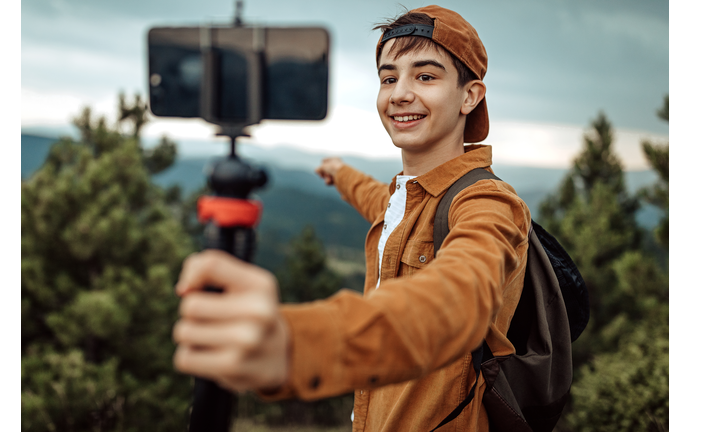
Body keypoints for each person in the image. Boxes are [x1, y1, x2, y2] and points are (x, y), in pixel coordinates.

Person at [172, 5, 530, 431]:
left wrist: (296, 345)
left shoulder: (488, 203)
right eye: (389, 77)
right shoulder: (406, 198)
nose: (400, 93)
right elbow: (378, 198)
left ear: (470, 96)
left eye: (426, 76)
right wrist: (340, 174)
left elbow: (460, 300)